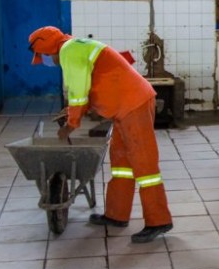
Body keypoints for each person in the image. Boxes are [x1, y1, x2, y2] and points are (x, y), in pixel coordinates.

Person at [28, 27, 173, 243]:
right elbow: (90, 84)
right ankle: (117, 214)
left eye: (45, 57)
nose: (49, 62)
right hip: (124, 106)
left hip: (133, 103)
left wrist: (71, 124)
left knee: (144, 165)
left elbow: (77, 91)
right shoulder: (75, 46)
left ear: (50, 50)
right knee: (122, 164)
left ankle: (158, 221)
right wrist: (71, 112)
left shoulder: (69, 50)